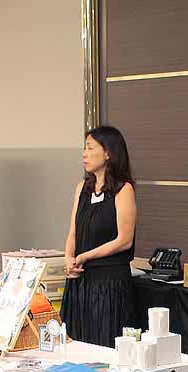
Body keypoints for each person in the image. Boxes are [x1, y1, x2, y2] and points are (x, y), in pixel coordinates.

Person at [62, 126, 137, 347]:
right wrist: (68, 258)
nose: (84, 154)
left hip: (109, 283)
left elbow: (124, 240)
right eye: (84, 148)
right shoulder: (82, 188)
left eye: (90, 148)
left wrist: (85, 256)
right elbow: (73, 231)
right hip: (80, 281)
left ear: (108, 153)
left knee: (105, 343)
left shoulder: (124, 189)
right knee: (77, 343)